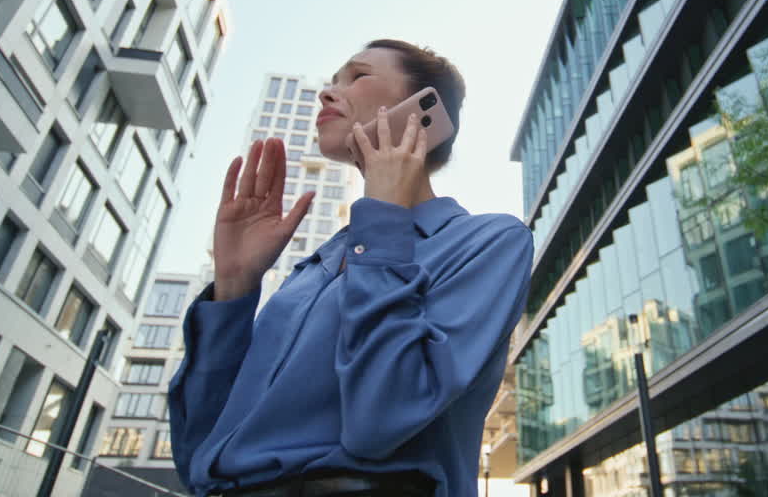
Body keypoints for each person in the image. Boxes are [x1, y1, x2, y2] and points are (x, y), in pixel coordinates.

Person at [168, 40, 534, 497]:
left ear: (425, 110)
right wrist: (234, 287)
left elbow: (381, 419)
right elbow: (197, 452)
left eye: (357, 76)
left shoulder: (489, 242)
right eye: (332, 81)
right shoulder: (310, 273)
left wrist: (383, 215)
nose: (327, 92)